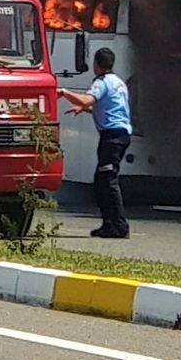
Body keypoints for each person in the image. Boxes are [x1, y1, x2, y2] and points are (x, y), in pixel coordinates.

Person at [57, 47, 131, 239]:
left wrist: (64, 92)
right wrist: (85, 110)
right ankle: (109, 224)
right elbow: (109, 109)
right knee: (102, 180)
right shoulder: (119, 82)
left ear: (96, 65)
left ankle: (119, 226)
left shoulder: (102, 82)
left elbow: (86, 99)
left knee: (108, 180)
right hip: (121, 134)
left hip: (111, 137)